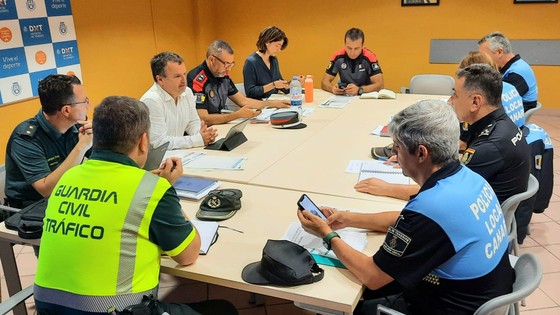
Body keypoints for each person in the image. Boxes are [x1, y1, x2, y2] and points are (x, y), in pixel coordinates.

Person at [299, 100, 514, 314]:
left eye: (398, 147)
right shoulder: (467, 178)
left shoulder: (432, 208)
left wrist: (326, 234)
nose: (394, 154)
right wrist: (348, 218)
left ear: (421, 153)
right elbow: (405, 219)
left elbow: (372, 276)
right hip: (485, 292)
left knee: (341, 301)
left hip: (450, 305)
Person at [34, 96, 238, 315]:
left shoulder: (68, 177)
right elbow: (188, 255)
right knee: (224, 309)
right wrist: (163, 189)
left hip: (49, 309)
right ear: (143, 141)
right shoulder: (152, 189)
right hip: (117, 311)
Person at [356, 64, 530, 205]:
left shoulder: (489, 146)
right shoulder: (499, 122)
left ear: (476, 102)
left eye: (455, 94)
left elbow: (439, 190)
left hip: (474, 217)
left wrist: (387, 188)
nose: (450, 100)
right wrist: (410, 154)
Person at [4, 74, 92, 209]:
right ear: (66, 110)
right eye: (85, 101)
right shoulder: (25, 139)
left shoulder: (77, 125)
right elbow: (46, 190)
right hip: (30, 210)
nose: (89, 105)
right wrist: (81, 147)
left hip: (68, 199)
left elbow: (104, 160)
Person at [187, 40, 290, 126]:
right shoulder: (197, 79)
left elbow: (243, 101)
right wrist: (237, 115)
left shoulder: (223, 76)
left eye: (231, 65)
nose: (228, 70)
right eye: (226, 64)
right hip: (204, 129)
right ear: (212, 60)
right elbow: (204, 119)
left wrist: (272, 103)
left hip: (220, 125)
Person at [140, 52, 217, 150]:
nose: (184, 80)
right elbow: (159, 142)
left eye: (184, 74)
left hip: (180, 154)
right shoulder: (152, 101)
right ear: (160, 80)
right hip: (159, 161)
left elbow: (192, 123)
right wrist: (197, 140)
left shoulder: (187, 92)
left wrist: (203, 134)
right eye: (177, 76)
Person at [478, 31, 538, 111]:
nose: (483, 60)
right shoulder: (512, 67)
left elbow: (495, 101)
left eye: (485, 55)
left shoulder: (517, 73)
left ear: (499, 52)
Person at [321, 28, 384, 96]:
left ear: (363, 46)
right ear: (344, 44)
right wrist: (332, 89)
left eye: (356, 48)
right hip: (344, 95)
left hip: (364, 94)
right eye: (349, 48)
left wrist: (359, 90)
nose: (352, 53)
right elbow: (324, 82)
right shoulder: (338, 56)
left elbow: (380, 85)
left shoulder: (370, 57)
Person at [243, 26, 290, 100]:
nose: (279, 50)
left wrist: (292, 84)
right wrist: (273, 85)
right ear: (267, 42)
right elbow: (250, 92)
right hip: (257, 105)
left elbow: (279, 82)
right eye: (277, 45)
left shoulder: (273, 60)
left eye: (280, 46)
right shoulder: (251, 62)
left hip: (272, 102)